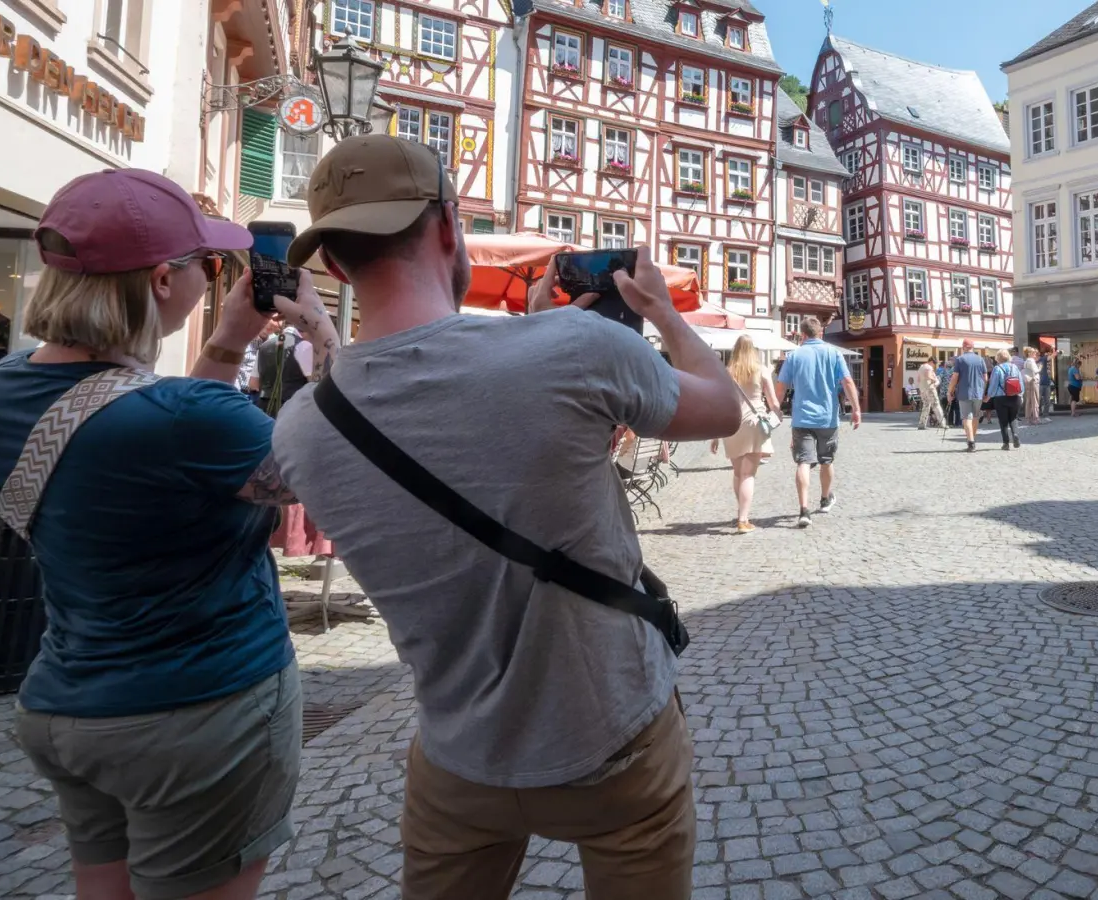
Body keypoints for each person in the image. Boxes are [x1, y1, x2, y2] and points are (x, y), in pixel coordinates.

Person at [269, 135, 741, 899]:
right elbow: (722, 409)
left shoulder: (301, 429)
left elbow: (396, 388)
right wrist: (657, 310)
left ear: (330, 263)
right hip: (614, 736)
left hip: (461, 758)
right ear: (449, 228)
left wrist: (259, 343)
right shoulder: (578, 345)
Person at [0, 169, 337, 900]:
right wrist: (324, 337)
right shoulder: (185, 419)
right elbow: (327, 473)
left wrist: (230, 342)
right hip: (198, 715)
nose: (217, 279)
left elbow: (166, 435)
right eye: (206, 266)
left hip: (68, 707)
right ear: (162, 283)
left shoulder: (5, 388)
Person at [776, 317, 860, 528]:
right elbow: (847, 381)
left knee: (803, 462)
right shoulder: (834, 353)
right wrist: (856, 409)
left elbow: (781, 385)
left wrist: (775, 408)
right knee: (826, 460)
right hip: (827, 417)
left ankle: (804, 510)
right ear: (820, 333)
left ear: (802, 335)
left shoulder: (794, 356)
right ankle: (824, 499)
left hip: (802, 417)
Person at [711, 333, 782, 533]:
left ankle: (741, 512)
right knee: (748, 474)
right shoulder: (762, 370)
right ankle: (743, 519)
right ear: (753, 351)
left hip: (732, 425)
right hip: (754, 423)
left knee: (737, 473)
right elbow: (773, 402)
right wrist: (777, 414)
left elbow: (720, 404)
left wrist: (715, 434)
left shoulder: (727, 372)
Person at [947, 339, 988, 451]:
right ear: (973, 347)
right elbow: (985, 378)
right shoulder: (980, 359)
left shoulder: (960, 359)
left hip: (964, 393)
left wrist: (949, 391)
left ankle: (971, 442)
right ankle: (972, 439)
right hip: (978, 393)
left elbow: (954, 377)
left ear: (963, 347)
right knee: (975, 417)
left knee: (966, 418)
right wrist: (983, 392)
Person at [987, 349, 1023, 451]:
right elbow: (1020, 382)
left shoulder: (997, 368)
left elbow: (993, 385)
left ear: (998, 358)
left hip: (1001, 398)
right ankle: (1015, 434)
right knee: (1013, 418)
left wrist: (989, 396)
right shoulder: (1015, 367)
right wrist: (1021, 394)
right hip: (1015, 396)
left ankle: (1006, 443)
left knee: (1003, 421)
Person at [915, 356, 944, 430]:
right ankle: (942, 423)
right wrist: (934, 380)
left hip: (922, 389)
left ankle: (922, 424)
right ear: (931, 361)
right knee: (936, 404)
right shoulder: (929, 367)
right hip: (930, 388)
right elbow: (928, 376)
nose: (934, 365)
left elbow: (918, 379)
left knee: (926, 405)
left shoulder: (921, 367)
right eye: (934, 363)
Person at [1020, 346, 1043, 424]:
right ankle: (1036, 418)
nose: (1035, 353)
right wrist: (1040, 367)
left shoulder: (1026, 361)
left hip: (1028, 381)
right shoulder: (1031, 361)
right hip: (1034, 381)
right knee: (1035, 400)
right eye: (1033, 352)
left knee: (1029, 400)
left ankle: (1028, 418)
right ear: (1029, 353)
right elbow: (1036, 371)